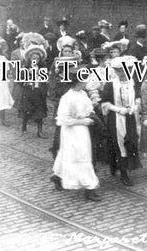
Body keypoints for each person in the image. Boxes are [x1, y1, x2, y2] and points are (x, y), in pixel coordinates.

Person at [51, 67, 101, 202]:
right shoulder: (67, 98)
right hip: (72, 131)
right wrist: (83, 121)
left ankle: (57, 175)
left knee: (74, 154)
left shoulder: (83, 94)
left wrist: (92, 115)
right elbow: (63, 119)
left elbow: (89, 108)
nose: (87, 82)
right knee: (78, 156)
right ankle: (89, 188)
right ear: (78, 82)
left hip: (83, 131)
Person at [101, 56, 141, 186]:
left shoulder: (132, 82)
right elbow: (105, 103)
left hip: (130, 117)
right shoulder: (110, 84)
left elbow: (138, 97)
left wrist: (135, 106)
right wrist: (118, 109)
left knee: (131, 141)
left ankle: (127, 168)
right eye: (119, 71)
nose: (123, 73)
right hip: (116, 118)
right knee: (119, 143)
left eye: (126, 70)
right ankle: (123, 173)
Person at [18, 45, 48, 138]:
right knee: (27, 111)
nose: (35, 60)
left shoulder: (42, 68)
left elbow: (45, 80)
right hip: (28, 92)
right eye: (33, 58)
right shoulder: (25, 68)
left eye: (37, 58)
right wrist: (26, 81)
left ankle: (39, 131)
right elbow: (19, 80)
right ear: (30, 59)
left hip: (38, 92)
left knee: (40, 112)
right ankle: (24, 126)